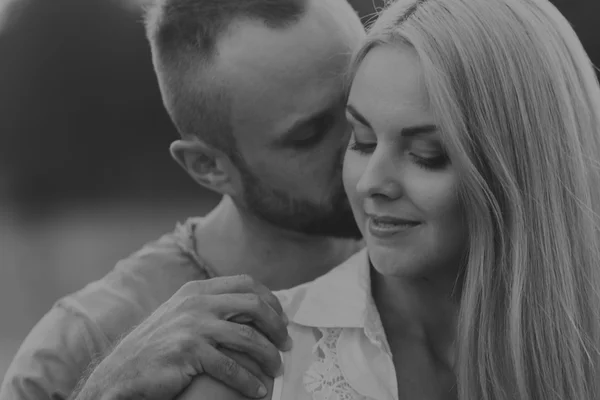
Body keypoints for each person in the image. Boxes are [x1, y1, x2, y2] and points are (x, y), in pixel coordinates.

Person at [178, 0, 600, 398]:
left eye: (426, 155)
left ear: (523, 170)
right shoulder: (257, 364)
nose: (371, 183)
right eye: (362, 141)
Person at [0, 0, 365, 399]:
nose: (363, 147)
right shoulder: (85, 340)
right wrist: (104, 390)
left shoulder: (431, 254)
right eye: (309, 136)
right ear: (208, 166)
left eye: (363, 99)